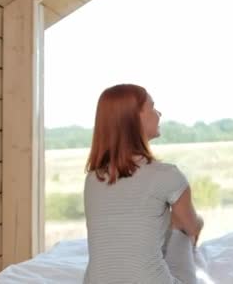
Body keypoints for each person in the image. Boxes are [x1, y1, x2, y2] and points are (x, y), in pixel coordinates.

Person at [83, 84, 203, 284]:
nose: (159, 113)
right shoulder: (167, 175)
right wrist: (196, 222)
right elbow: (191, 227)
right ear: (135, 118)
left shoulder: (92, 179)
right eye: (153, 107)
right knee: (181, 233)